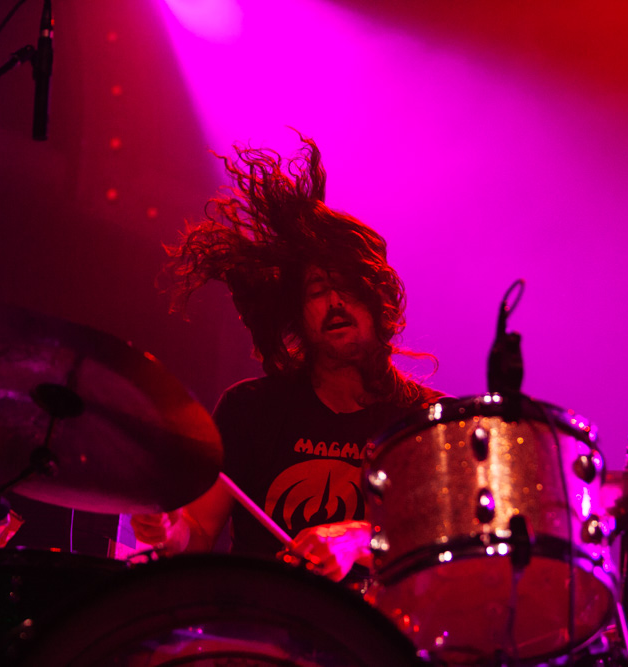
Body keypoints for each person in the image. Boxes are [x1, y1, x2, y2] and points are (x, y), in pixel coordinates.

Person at [130, 134, 443, 583]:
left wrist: (359, 539)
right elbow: (196, 533)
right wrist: (165, 530)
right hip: (260, 631)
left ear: (379, 302)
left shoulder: (425, 421)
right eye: (317, 291)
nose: (334, 301)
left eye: (349, 286)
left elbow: (449, 545)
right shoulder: (251, 410)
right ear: (298, 314)